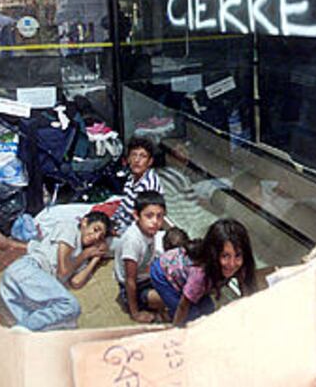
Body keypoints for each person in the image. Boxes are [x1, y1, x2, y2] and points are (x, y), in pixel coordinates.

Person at [0, 211, 110, 331]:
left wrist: (95, 259)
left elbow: (76, 282)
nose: (97, 237)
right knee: (70, 306)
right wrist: (85, 254)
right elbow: (63, 272)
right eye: (95, 229)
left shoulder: (80, 258)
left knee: (60, 326)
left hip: (30, 290)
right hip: (28, 270)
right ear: (84, 222)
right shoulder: (70, 229)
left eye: (101, 236)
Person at [150, 218, 256, 326]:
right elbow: (183, 306)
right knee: (192, 317)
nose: (232, 264)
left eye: (238, 255)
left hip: (187, 277)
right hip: (163, 274)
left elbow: (246, 294)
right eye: (225, 256)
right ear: (214, 254)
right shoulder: (200, 274)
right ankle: (163, 312)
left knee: (209, 310)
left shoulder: (241, 265)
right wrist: (176, 330)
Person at [114, 191, 167, 323]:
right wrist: (135, 313)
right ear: (136, 215)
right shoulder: (133, 241)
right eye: (149, 216)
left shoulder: (150, 231)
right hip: (135, 285)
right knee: (168, 297)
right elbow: (130, 281)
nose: (155, 221)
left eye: (159, 216)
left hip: (146, 275)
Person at [110, 136, 163, 236]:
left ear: (150, 162)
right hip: (120, 225)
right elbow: (123, 208)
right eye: (134, 155)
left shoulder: (148, 185)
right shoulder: (132, 177)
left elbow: (143, 223)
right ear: (128, 159)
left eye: (143, 156)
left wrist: (116, 232)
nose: (137, 160)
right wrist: (111, 223)